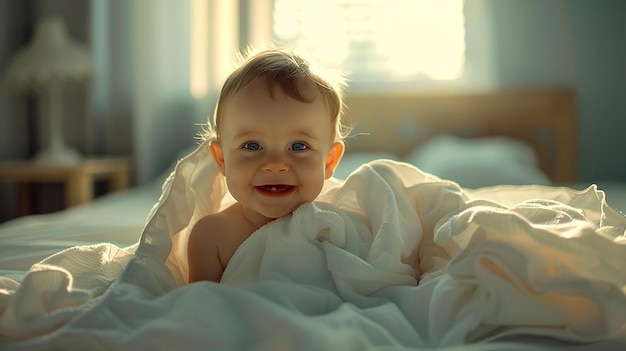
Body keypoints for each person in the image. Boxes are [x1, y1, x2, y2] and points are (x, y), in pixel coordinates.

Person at [187, 47, 349, 283]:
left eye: (298, 146)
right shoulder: (211, 236)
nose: (275, 165)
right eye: (252, 146)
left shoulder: (335, 225)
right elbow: (199, 310)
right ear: (222, 159)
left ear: (329, 161)